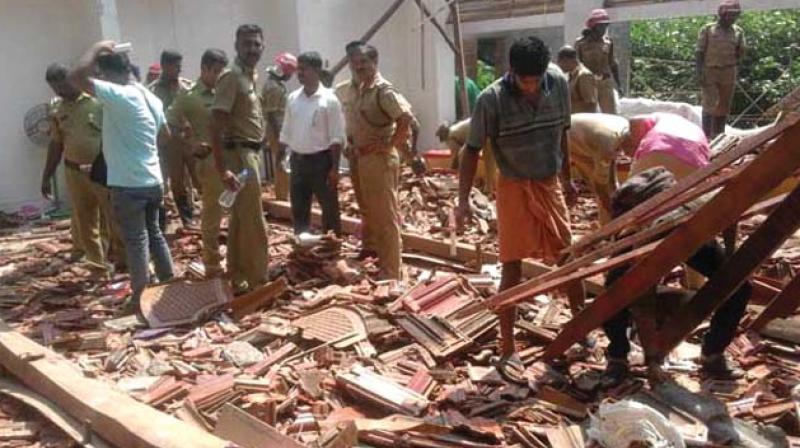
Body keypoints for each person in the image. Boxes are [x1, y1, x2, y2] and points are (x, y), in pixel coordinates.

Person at [456, 36, 583, 379]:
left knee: (569, 258)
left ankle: (582, 329)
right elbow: (470, 151)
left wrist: (567, 178)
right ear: (511, 72)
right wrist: (463, 200)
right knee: (511, 267)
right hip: (513, 187)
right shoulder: (491, 99)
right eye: (524, 80)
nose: (531, 87)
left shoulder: (557, 82)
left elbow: (562, 135)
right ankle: (507, 347)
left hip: (549, 182)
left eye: (535, 79)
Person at [601, 167, 751, 387]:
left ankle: (713, 353)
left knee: (739, 286)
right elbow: (644, 304)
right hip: (652, 228)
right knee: (614, 294)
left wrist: (729, 261)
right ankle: (617, 357)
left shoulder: (706, 209)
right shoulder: (643, 243)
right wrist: (653, 360)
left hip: (690, 230)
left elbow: (730, 220)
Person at [68, 41, 175, 315]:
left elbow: (76, 77)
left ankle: (140, 299)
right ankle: (169, 285)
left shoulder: (118, 95)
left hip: (129, 184)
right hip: (153, 180)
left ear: (107, 74)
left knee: (137, 241)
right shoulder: (150, 97)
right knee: (155, 234)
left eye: (101, 75)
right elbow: (165, 136)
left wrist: (95, 48)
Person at [336, 43, 413, 280]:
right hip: (358, 158)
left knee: (385, 215)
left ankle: (391, 270)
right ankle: (371, 249)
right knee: (367, 209)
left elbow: (406, 118)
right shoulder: (348, 89)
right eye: (354, 62)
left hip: (378, 159)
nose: (358, 67)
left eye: (364, 62)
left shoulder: (383, 91)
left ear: (374, 63)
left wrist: (390, 145)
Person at [41, 63, 120, 273]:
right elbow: (56, 144)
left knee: (114, 219)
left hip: (103, 170)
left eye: (63, 87)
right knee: (86, 223)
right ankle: (98, 268)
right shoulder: (57, 108)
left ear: (72, 80)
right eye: (56, 89)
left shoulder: (98, 100)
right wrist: (47, 176)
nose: (60, 92)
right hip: (74, 172)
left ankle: (123, 264)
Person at [209, 24, 270, 293]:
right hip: (240, 157)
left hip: (251, 153)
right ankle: (259, 281)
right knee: (255, 221)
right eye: (247, 44)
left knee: (241, 219)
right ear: (236, 46)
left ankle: (237, 274)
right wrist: (222, 169)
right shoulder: (232, 77)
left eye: (257, 44)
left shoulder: (250, 76)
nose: (253, 49)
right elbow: (216, 125)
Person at [166, 49, 229, 278]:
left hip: (235, 160)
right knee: (212, 215)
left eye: (223, 72)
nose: (220, 77)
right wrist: (189, 145)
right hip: (211, 163)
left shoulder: (228, 91)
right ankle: (212, 264)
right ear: (204, 69)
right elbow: (168, 124)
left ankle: (239, 260)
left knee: (241, 212)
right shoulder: (189, 96)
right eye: (216, 72)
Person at [279, 51, 345, 236]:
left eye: (304, 69)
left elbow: (336, 137)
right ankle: (303, 247)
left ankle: (332, 248)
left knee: (329, 207)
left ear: (316, 70)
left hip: (321, 162)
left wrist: (334, 169)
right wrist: (280, 155)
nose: (299, 73)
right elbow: (286, 129)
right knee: (299, 207)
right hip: (298, 161)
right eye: (298, 69)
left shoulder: (329, 100)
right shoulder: (293, 98)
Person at [149, 50, 196, 227]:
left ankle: (205, 215)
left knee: (199, 178)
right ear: (165, 66)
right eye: (175, 66)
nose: (179, 69)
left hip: (190, 139)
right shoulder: (152, 91)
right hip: (169, 142)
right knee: (176, 181)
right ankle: (186, 217)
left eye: (180, 65)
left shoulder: (187, 86)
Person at [696, 0, 746, 139]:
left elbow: (740, 52)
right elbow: (700, 51)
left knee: (724, 104)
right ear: (722, 15)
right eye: (729, 15)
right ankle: (707, 136)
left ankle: (719, 135)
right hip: (710, 70)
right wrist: (698, 72)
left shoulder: (738, 31)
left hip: (728, 71)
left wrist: (736, 66)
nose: (732, 18)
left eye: (735, 15)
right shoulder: (708, 29)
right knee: (709, 103)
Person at [567, 113, 630, 223]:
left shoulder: (624, 126)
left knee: (611, 187)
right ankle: (609, 226)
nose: (629, 155)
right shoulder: (607, 144)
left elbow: (611, 161)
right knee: (602, 188)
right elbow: (600, 185)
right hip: (565, 139)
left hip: (584, 136)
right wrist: (609, 207)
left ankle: (610, 222)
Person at [625, 112, 710, 179]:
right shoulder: (680, 122)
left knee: (631, 194)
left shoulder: (644, 124)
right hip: (693, 158)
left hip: (658, 150)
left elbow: (635, 135)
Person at [260, 52, 297, 201]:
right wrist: (283, 136)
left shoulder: (273, 84)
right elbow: (274, 115)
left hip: (278, 127)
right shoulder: (274, 88)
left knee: (281, 161)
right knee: (282, 162)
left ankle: (283, 194)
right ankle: (283, 196)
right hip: (277, 129)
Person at [575, 9, 621, 114]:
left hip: (605, 82)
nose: (604, 29)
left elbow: (613, 63)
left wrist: (619, 85)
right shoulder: (581, 43)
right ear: (593, 26)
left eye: (606, 26)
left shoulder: (608, 42)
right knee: (589, 114)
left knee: (611, 114)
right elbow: (577, 65)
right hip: (588, 83)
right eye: (601, 26)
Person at [436, 118, 497, 193]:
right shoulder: (456, 129)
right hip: (487, 129)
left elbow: (456, 156)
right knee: (488, 160)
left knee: (464, 155)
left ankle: (470, 187)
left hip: (481, 131)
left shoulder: (451, 136)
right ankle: (488, 188)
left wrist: (452, 173)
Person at [557, 45, 598, 114]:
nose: (559, 66)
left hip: (583, 120)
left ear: (566, 60)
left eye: (560, 62)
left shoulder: (584, 75)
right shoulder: (572, 76)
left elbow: (591, 104)